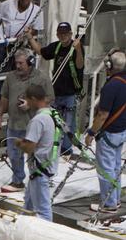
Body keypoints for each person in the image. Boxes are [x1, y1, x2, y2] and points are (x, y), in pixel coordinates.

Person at [0, 50, 54, 195]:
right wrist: (0, 115)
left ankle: (42, 177)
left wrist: (30, 104)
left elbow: (50, 98)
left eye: (21, 63)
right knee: (14, 155)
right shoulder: (10, 77)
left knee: (37, 155)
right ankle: (18, 180)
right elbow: (5, 97)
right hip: (14, 123)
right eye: (17, 63)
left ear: (30, 62)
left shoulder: (42, 78)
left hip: (33, 125)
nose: (18, 66)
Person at [30, 23, 84, 157]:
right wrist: (30, 37)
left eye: (66, 33)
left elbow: (80, 65)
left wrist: (77, 50)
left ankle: (66, 149)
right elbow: (41, 52)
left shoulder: (76, 46)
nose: (63, 36)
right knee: (53, 120)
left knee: (68, 122)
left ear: (71, 34)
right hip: (56, 91)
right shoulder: (56, 46)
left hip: (70, 92)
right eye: (60, 33)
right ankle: (52, 145)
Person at [85, 48, 126, 217]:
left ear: (109, 65)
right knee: (115, 167)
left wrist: (91, 133)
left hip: (109, 133)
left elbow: (102, 115)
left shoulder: (111, 86)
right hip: (121, 132)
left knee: (105, 170)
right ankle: (114, 199)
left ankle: (109, 204)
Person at [18, 81, 61, 221]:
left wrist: (19, 143)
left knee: (43, 211)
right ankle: (21, 227)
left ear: (34, 99)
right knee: (28, 204)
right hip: (46, 165)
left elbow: (29, 147)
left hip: (40, 168)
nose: (27, 103)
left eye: (28, 100)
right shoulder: (53, 114)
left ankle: (45, 237)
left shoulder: (38, 120)